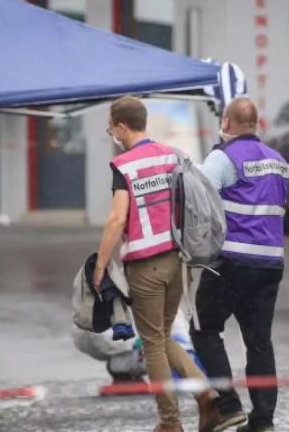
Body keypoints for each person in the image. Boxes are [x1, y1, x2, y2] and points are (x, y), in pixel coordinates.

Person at [93, 96, 218, 432]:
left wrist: (100, 265)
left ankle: (170, 422)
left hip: (144, 267)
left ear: (121, 126)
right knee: (162, 337)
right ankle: (205, 392)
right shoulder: (170, 155)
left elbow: (117, 218)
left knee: (152, 343)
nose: (112, 134)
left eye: (111, 127)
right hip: (177, 261)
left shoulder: (124, 165)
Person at [191, 98, 289, 432]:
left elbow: (196, 198)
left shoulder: (223, 157)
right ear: (256, 123)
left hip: (230, 260)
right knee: (259, 341)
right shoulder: (279, 162)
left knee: (204, 329)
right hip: (270, 263)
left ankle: (229, 405)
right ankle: (263, 421)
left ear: (227, 123)